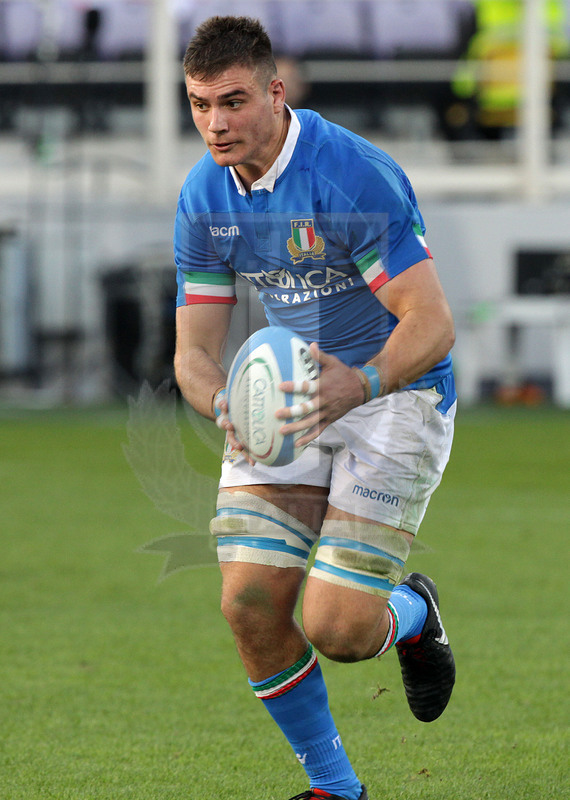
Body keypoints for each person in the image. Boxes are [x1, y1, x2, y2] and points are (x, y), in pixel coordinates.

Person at [174, 16, 457, 800]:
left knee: (338, 629)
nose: (216, 123)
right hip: (293, 392)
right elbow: (193, 352)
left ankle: (412, 612)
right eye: (198, 105)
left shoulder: (348, 176)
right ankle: (337, 788)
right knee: (250, 602)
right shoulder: (203, 196)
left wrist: (358, 384)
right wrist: (223, 402)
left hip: (394, 395)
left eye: (232, 101)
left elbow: (431, 325)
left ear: (275, 90)